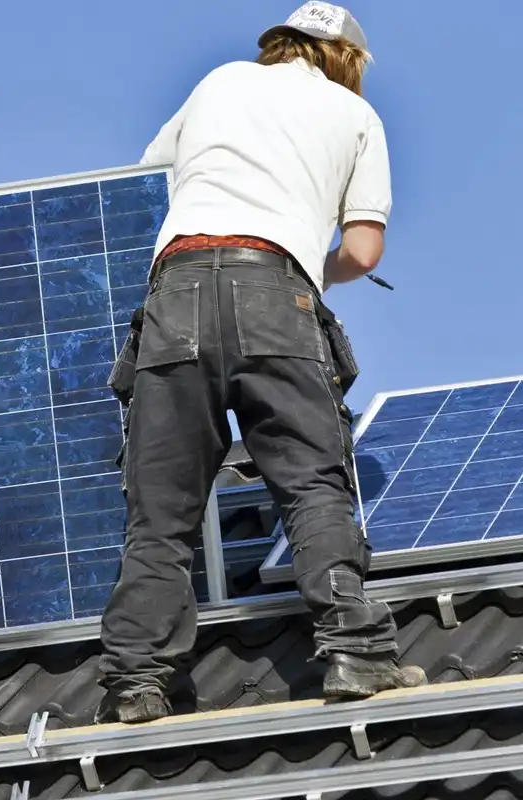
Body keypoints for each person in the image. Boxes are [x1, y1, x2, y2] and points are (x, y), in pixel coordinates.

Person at [96, 1, 427, 725]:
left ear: (279, 44)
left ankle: (138, 681)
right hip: (276, 291)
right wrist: (314, 267)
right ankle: (353, 654)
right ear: (348, 62)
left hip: (174, 291)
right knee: (311, 481)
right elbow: (364, 251)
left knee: (161, 508)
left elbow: (140, 187)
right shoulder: (355, 117)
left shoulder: (221, 82)